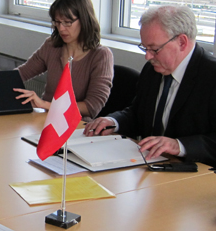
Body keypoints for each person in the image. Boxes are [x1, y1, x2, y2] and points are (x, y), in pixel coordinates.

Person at [84, 6, 216, 166]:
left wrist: (179, 145)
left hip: (196, 174)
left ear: (182, 42)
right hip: (149, 166)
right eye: (145, 48)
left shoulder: (210, 76)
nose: (147, 56)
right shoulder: (153, 70)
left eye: (154, 49)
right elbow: (138, 114)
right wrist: (113, 121)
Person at [14, 0, 114, 121]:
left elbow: (92, 106)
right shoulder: (51, 45)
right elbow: (21, 73)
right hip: (47, 120)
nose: (61, 28)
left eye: (67, 22)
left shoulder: (101, 55)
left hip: (77, 126)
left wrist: (46, 105)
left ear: (84, 20)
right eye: (57, 22)